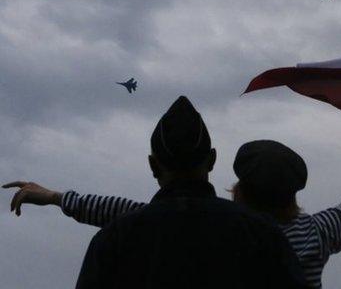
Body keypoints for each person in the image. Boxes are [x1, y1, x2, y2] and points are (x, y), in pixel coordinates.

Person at [5, 141, 341, 289]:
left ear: (238, 187)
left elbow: (121, 213)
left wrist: (53, 197)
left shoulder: (216, 228)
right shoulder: (317, 233)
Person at [4, 97, 306, 289]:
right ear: (212, 160)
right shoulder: (262, 235)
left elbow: (119, 211)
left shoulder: (117, 238)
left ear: (152, 165)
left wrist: (57, 198)